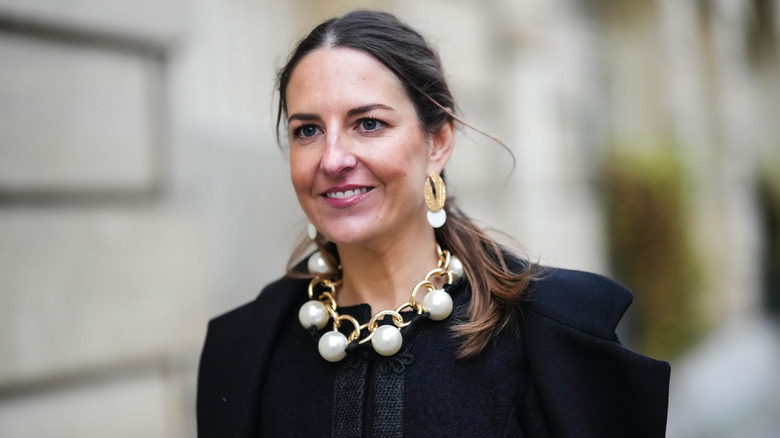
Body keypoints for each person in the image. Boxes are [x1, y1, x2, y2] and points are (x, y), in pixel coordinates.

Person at [197, 9, 670, 438]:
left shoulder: (556, 339)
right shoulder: (240, 352)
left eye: (368, 123)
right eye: (308, 130)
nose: (333, 158)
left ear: (438, 142)